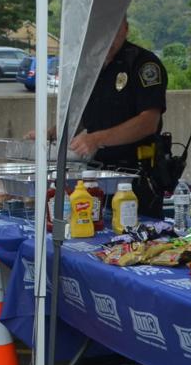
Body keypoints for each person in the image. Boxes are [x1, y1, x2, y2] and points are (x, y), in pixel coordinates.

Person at [70, 18, 168, 218]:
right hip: (97, 172)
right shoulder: (91, 66)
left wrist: (96, 139)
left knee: (136, 240)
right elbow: (85, 114)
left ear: (125, 29)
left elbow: (149, 122)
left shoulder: (143, 64)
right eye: (102, 31)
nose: (109, 38)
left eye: (114, 30)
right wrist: (53, 132)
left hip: (136, 175)